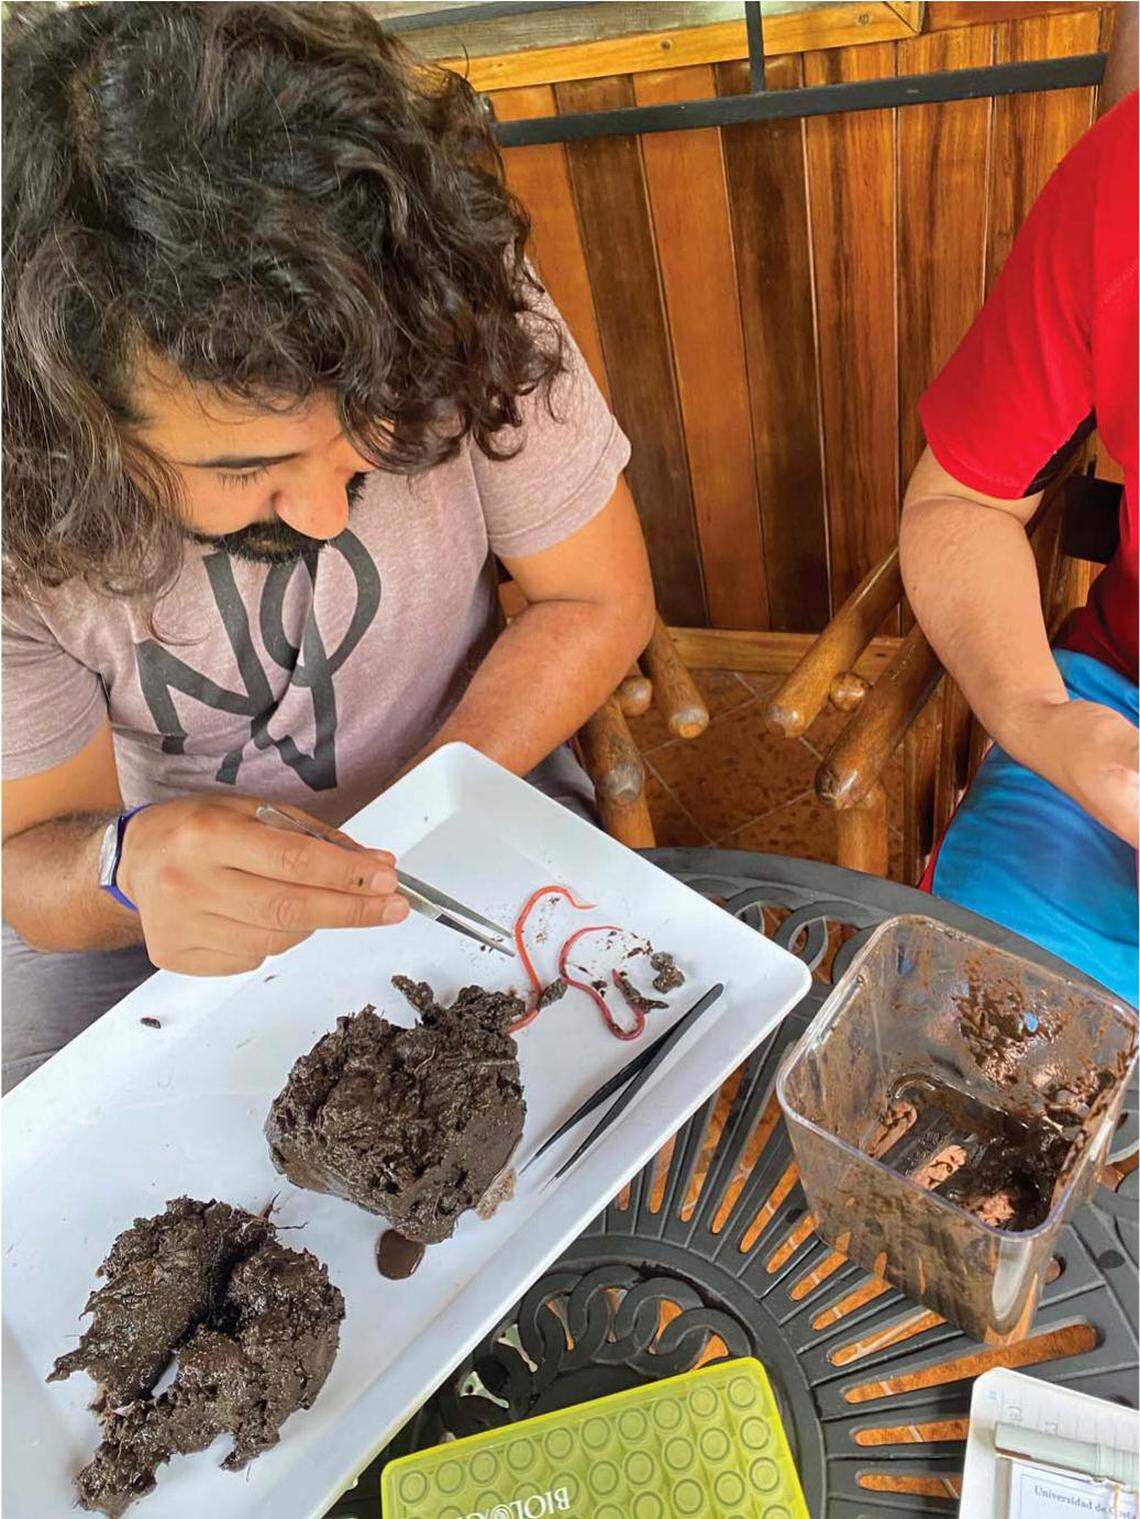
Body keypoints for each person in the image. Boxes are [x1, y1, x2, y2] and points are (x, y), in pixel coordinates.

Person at [1, 2, 655, 1089]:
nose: (322, 516)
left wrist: (410, 814)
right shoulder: (20, 487)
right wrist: (125, 870)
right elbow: (33, 862)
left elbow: (596, 602)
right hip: (161, 903)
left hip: (469, 785)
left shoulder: (450, 293)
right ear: (75, 427)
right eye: (238, 469)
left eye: (366, 441)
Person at [901, 61, 1138, 1004]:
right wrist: (1046, 721)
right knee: (960, 1050)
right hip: (1119, 710)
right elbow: (962, 501)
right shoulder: (1126, 185)